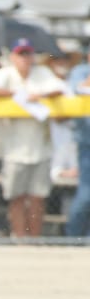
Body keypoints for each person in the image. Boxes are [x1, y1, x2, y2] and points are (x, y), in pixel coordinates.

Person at [0, 38, 66, 238]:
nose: (24, 58)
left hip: (40, 147)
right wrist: (21, 94)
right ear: (13, 56)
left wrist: (36, 94)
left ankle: (34, 239)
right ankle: (20, 238)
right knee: (16, 197)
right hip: (13, 148)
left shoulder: (42, 73)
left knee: (38, 198)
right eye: (21, 54)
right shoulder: (5, 73)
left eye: (27, 53)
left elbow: (59, 88)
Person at [65, 49, 90, 237]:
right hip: (87, 143)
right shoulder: (80, 71)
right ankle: (72, 237)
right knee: (86, 195)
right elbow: (78, 89)